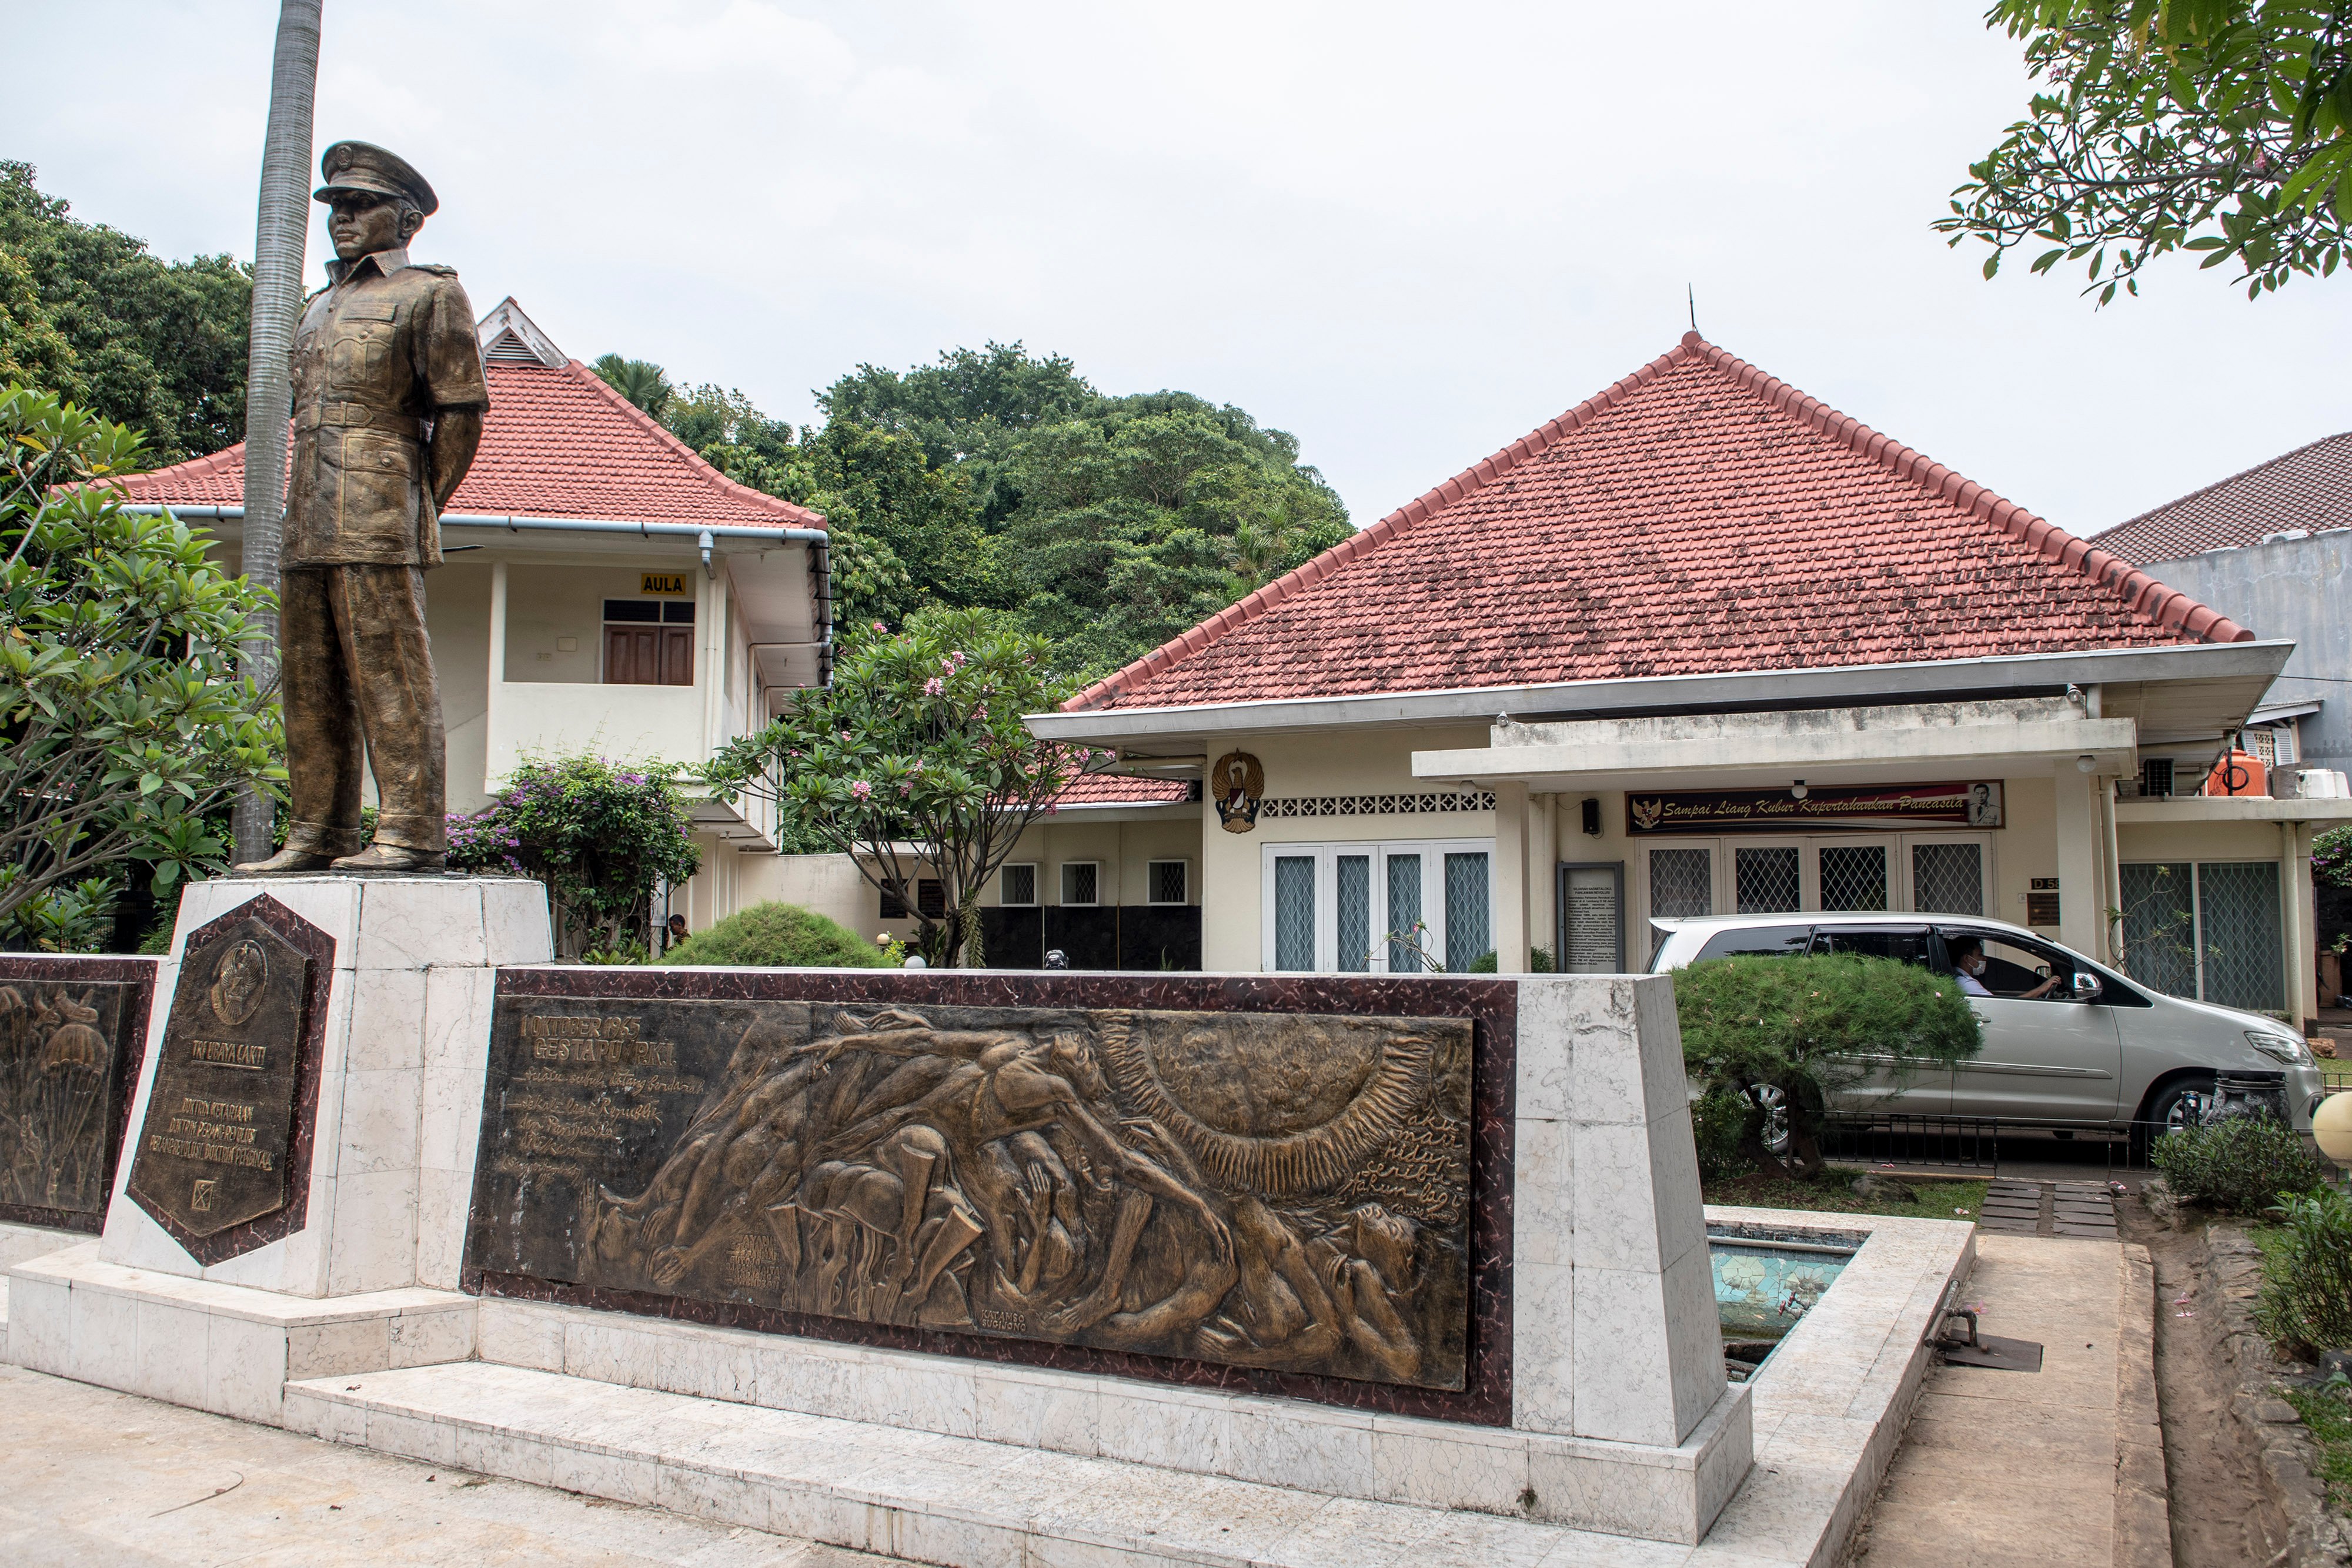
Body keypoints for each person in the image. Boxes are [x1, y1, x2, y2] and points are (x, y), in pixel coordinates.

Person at [235, 142, 488, 874]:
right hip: (306, 511)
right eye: (335, 207)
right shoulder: (318, 307)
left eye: (359, 205)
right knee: (311, 680)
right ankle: (319, 830)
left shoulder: (430, 293)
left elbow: (461, 412)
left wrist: (418, 504)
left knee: (390, 675)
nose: (341, 218)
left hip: (379, 505)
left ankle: (410, 830)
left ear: (403, 217)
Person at [1947, 934, 2057, 999]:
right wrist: (2042, 989)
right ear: (1967, 959)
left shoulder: (1960, 978)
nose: (1985, 958)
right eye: (1980, 955)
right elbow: (2001, 1006)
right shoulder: (1966, 983)